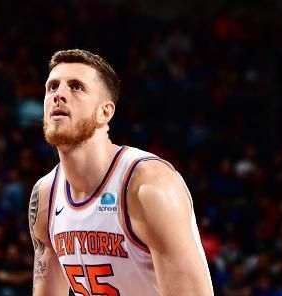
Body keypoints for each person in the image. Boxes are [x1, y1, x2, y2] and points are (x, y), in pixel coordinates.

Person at [28, 49, 213, 295]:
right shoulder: (45, 195)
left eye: (76, 87)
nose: (59, 95)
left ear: (105, 112)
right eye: (52, 87)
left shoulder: (148, 186)